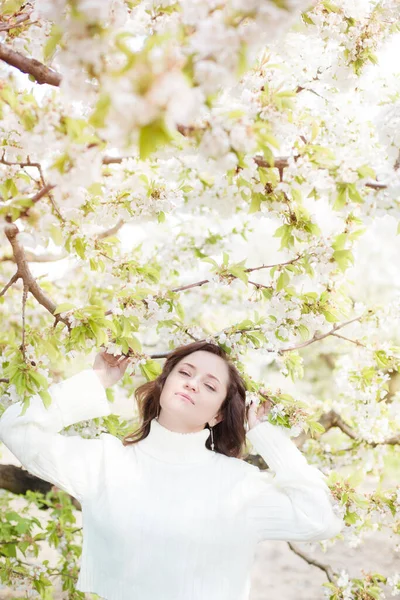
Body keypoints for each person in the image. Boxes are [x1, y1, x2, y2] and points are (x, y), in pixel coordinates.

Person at [0, 340, 344, 600]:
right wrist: (95, 381)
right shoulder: (107, 462)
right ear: (163, 386)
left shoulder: (240, 485)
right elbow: (17, 429)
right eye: (184, 373)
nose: (193, 383)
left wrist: (264, 434)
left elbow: (321, 519)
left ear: (219, 415)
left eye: (210, 385)